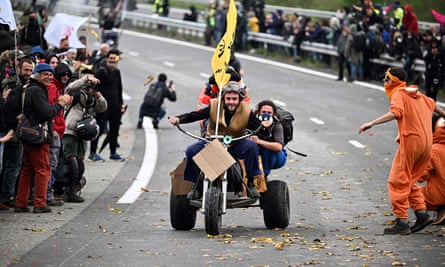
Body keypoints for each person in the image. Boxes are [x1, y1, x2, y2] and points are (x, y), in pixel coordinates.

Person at [358, 67, 445, 235]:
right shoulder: (419, 95)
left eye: (386, 79)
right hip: (427, 145)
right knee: (409, 179)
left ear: (394, 81)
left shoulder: (399, 94)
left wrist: (372, 123)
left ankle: (401, 221)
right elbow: (437, 107)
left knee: (396, 181)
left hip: (411, 143)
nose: (385, 83)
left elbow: (395, 113)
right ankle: (421, 214)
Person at [169, 81, 266, 199]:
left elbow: (258, 127)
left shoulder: (247, 110)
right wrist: (179, 119)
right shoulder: (214, 105)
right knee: (191, 151)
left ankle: (250, 183)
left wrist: (266, 126)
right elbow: (195, 115)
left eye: (234, 99)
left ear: (239, 99)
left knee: (252, 147)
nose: (231, 102)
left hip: (235, 143)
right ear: (223, 98)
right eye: (228, 98)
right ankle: (195, 185)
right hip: (213, 142)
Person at [14, 63, 73, 214]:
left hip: (27, 134)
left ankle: (21, 203)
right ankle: (40, 203)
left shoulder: (29, 88)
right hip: (38, 136)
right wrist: (60, 103)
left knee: (27, 169)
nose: (49, 77)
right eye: (45, 74)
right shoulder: (38, 91)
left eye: (50, 74)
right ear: (37, 75)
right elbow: (47, 113)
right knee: (43, 170)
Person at [63, 69, 106, 202]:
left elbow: (103, 107)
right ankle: (67, 191)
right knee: (72, 161)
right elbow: (69, 88)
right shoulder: (77, 91)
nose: (90, 84)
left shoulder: (92, 95)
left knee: (80, 163)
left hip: (85, 132)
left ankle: (73, 189)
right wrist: (84, 80)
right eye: (89, 80)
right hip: (71, 130)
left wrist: (97, 94)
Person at [0, 57, 34, 207]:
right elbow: (6, 107)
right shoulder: (11, 84)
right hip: (10, 130)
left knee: (16, 165)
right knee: (11, 165)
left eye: (30, 70)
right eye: (26, 70)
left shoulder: (30, 84)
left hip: (21, 131)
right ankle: (7, 195)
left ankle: (11, 193)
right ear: (19, 69)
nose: (28, 73)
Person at [89, 49, 125, 161]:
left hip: (115, 106)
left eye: (114, 58)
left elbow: (119, 89)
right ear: (107, 59)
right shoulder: (101, 71)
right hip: (103, 106)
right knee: (99, 129)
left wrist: (121, 104)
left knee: (114, 130)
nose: (112, 60)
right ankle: (93, 152)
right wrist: (98, 98)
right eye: (110, 58)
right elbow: (94, 87)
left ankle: (113, 152)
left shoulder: (117, 72)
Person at [418, 116, 445, 225]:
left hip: (440, 194)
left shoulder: (433, 150)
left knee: (407, 193)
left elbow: (421, 176)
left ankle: (441, 209)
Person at [251, 100, 287, 177]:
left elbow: (278, 147)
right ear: (258, 112)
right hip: (257, 152)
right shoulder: (252, 122)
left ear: (273, 114)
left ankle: (264, 175)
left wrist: (259, 141)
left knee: (268, 148)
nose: (266, 115)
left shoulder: (277, 125)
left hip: (276, 157)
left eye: (269, 113)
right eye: (263, 112)